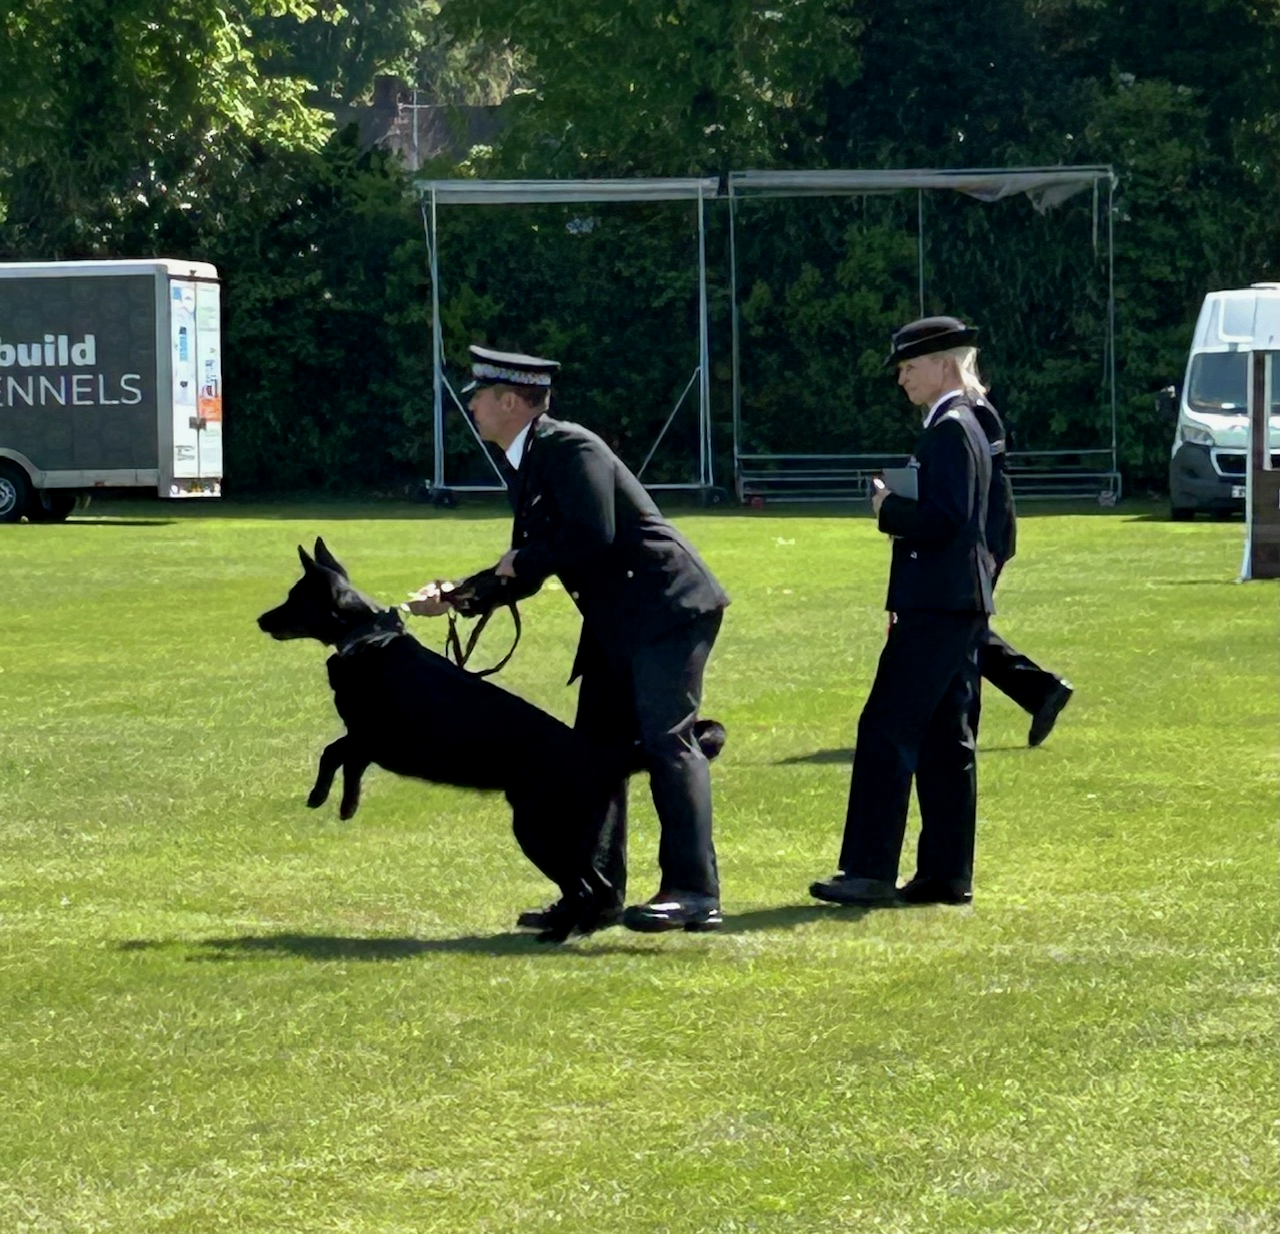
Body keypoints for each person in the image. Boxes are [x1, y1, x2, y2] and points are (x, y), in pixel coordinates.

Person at [411, 345, 729, 934]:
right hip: (619, 622)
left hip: (667, 610)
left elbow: (592, 534)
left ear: (510, 401)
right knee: (594, 758)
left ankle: (693, 891)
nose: (471, 404)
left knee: (667, 743)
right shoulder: (531, 457)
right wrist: (462, 596)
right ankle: (597, 897)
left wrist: (521, 561)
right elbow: (530, 565)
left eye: (478, 395)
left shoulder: (568, 446)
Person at [809, 315, 994, 908]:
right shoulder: (962, 425)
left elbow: (948, 519)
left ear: (945, 364)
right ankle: (944, 874)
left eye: (910, 368)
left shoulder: (949, 429)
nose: (902, 380)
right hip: (954, 602)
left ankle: (868, 869)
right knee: (945, 741)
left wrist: (888, 508)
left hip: (937, 605)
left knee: (887, 728)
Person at [964, 376, 1074, 747]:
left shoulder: (973, 412)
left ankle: (1038, 691)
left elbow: (988, 484)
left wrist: (989, 550)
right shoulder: (968, 410)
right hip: (984, 537)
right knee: (966, 632)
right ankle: (1040, 691)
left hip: (986, 538)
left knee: (963, 631)